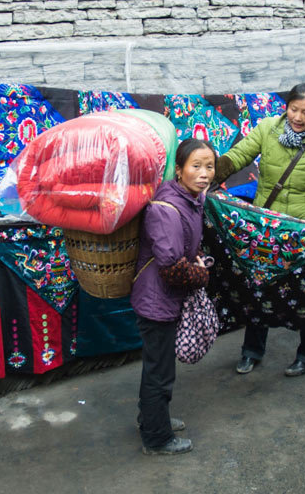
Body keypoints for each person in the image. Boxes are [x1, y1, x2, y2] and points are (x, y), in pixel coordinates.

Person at [214, 83, 305, 377]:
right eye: (294, 109)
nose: (298, 117)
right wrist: (208, 177)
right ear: (287, 107)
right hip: (266, 226)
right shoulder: (268, 128)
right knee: (259, 285)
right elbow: (239, 155)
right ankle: (251, 351)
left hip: (303, 230)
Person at [131, 138, 216, 456]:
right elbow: (169, 266)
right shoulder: (166, 208)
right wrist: (201, 273)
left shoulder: (192, 198)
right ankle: (156, 438)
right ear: (178, 170)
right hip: (157, 300)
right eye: (196, 166)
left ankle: (151, 419)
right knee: (160, 371)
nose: (204, 173)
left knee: (156, 366)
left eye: (209, 166)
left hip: (165, 298)